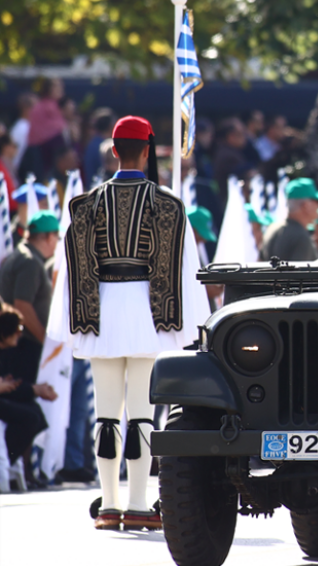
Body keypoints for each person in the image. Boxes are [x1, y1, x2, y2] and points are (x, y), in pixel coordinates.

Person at [48, 115, 209, 530]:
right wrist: (189, 323)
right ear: (148, 149)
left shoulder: (84, 205)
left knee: (106, 414)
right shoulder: (169, 204)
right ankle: (138, 504)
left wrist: (73, 321)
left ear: (114, 151)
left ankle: (108, 505)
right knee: (141, 414)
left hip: (99, 315)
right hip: (148, 317)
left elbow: (71, 272)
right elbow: (185, 269)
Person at [0, 304, 56, 487]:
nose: (20, 334)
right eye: (18, 330)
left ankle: (13, 464)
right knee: (30, 417)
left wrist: (31, 389)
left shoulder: (11, 352)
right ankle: (7, 461)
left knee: (35, 413)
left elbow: (11, 383)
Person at [0, 211, 59, 361]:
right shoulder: (30, 262)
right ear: (49, 237)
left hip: (17, 344)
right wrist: (45, 343)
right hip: (24, 348)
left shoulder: (20, 254)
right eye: (57, 238)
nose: (57, 243)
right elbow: (22, 305)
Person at [260, 178, 318, 262]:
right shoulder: (301, 236)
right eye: (317, 202)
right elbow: (299, 274)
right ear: (306, 205)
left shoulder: (272, 229)